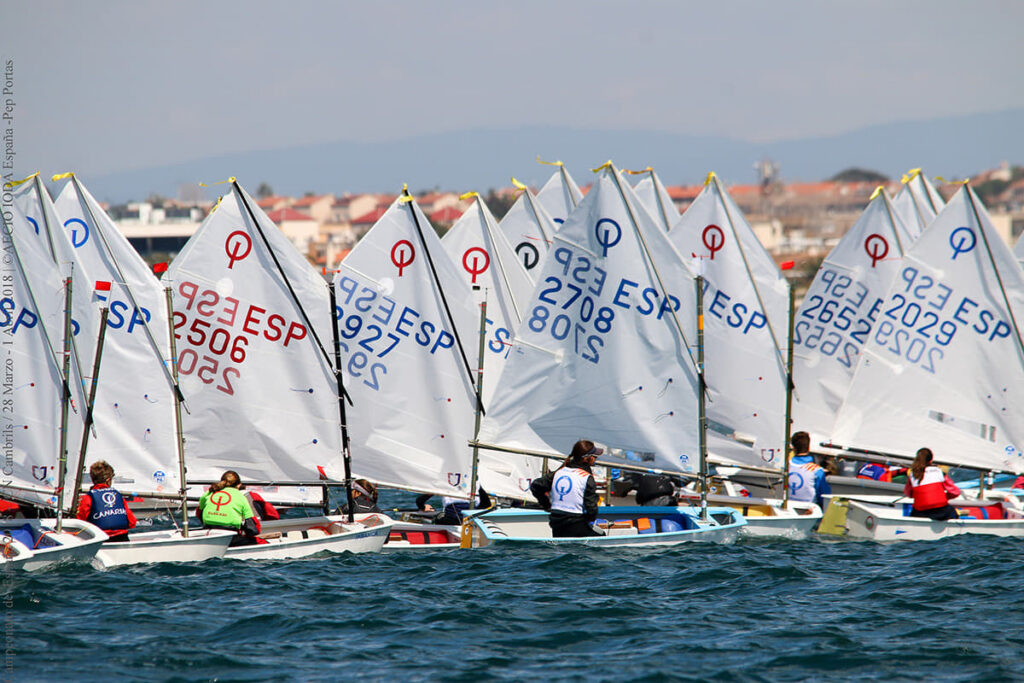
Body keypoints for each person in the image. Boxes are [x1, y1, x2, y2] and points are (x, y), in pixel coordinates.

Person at [530, 440, 602, 538]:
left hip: (556, 524)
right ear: (587, 458)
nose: (595, 459)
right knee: (601, 534)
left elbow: (535, 486)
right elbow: (592, 509)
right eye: (595, 456)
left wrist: (547, 505)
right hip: (577, 525)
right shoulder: (586, 477)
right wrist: (589, 520)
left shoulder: (558, 473)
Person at [75, 460, 138, 542]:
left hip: (99, 540)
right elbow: (132, 522)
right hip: (122, 539)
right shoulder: (117, 496)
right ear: (108, 480)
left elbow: (80, 522)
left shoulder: (87, 498)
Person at [198, 470, 260, 547]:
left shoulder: (210, 492)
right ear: (239, 485)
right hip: (230, 536)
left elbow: (199, 512)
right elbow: (252, 528)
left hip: (208, 533)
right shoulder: (241, 497)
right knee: (258, 541)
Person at [904, 447, 961, 521]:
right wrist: (943, 497)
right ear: (931, 460)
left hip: (920, 513)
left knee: (914, 511)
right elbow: (956, 492)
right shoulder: (939, 472)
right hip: (940, 511)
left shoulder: (913, 474)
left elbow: (908, 494)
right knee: (953, 511)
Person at [787, 431, 830, 507]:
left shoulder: (786, 467)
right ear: (808, 447)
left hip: (788, 507)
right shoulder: (817, 470)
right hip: (809, 510)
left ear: (793, 448)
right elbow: (824, 497)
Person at [415, 487, 492, 525]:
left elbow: (419, 501)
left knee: (438, 517)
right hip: (472, 521)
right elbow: (487, 504)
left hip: (451, 521)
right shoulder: (475, 484)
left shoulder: (444, 483)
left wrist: (423, 508)